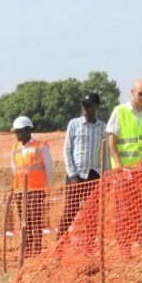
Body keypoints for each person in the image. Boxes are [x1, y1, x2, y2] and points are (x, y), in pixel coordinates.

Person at [106, 79, 142, 255]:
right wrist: (117, 163)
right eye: (140, 93)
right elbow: (112, 139)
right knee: (123, 209)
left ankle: (140, 241)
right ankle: (124, 245)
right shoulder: (120, 112)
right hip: (125, 171)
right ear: (132, 92)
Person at [58, 93, 106, 240]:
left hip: (94, 175)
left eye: (89, 105)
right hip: (76, 175)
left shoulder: (102, 127)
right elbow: (67, 150)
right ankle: (59, 246)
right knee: (69, 212)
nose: (85, 108)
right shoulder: (74, 124)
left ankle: (89, 249)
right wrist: (72, 174)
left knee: (92, 214)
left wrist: (105, 175)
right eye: (84, 105)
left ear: (96, 107)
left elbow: (105, 153)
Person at [10, 116, 52, 257]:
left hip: (36, 189)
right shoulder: (15, 149)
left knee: (35, 219)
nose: (17, 134)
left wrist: (44, 187)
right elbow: (14, 169)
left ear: (28, 130)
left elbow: (49, 168)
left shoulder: (41, 146)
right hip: (20, 190)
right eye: (15, 131)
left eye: (19, 131)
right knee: (24, 220)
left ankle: (36, 248)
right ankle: (27, 248)